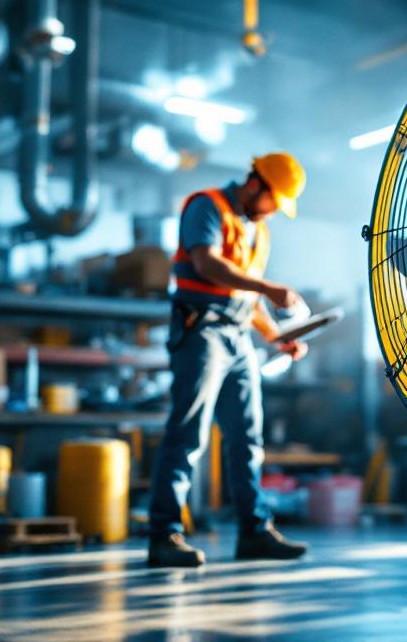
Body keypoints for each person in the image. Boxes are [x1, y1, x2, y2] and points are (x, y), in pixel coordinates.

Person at [147, 152, 311, 568]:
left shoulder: (259, 231)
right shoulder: (206, 206)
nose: (273, 211)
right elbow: (207, 264)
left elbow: (248, 298)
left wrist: (277, 337)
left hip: (238, 339)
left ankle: (254, 532)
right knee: (187, 434)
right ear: (255, 184)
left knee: (247, 438)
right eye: (274, 201)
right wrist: (269, 287)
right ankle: (164, 535)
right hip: (201, 330)